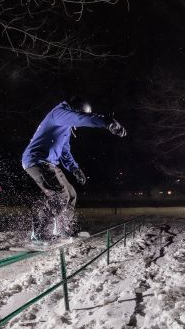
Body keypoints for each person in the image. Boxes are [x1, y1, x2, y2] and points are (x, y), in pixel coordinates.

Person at [22, 97, 126, 243]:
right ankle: (38, 233)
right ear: (77, 110)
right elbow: (80, 118)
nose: (77, 126)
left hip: (49, 163)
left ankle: (62, 229)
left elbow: (65, 152)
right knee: (59, 196)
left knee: (71, 195)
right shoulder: (59, 113)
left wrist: (75, 169)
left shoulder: (66, 128)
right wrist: (106, 121)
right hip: (36, 160)